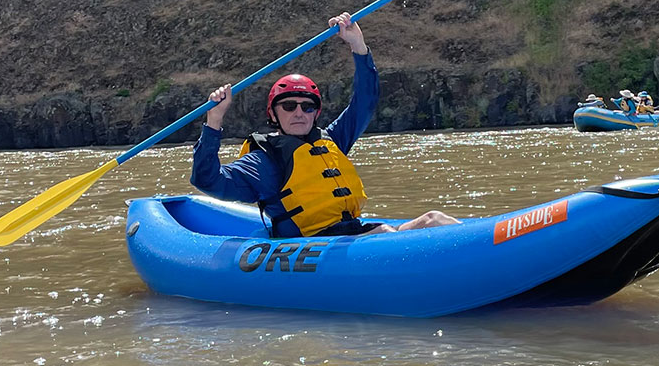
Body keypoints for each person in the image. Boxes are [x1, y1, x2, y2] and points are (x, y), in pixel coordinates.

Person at [191, 12, 460, 237]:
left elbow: (365, 102)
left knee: (433, 219)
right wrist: (214, 122)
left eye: (307, 106)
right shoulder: (264, 160)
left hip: (354, 233)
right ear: (273, 115)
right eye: (288, 106)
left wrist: (358, 46)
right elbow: (208, 180)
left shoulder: (332, 139)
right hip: (317, 246)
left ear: (315, 112)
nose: (299, 112)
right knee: (386, 234)